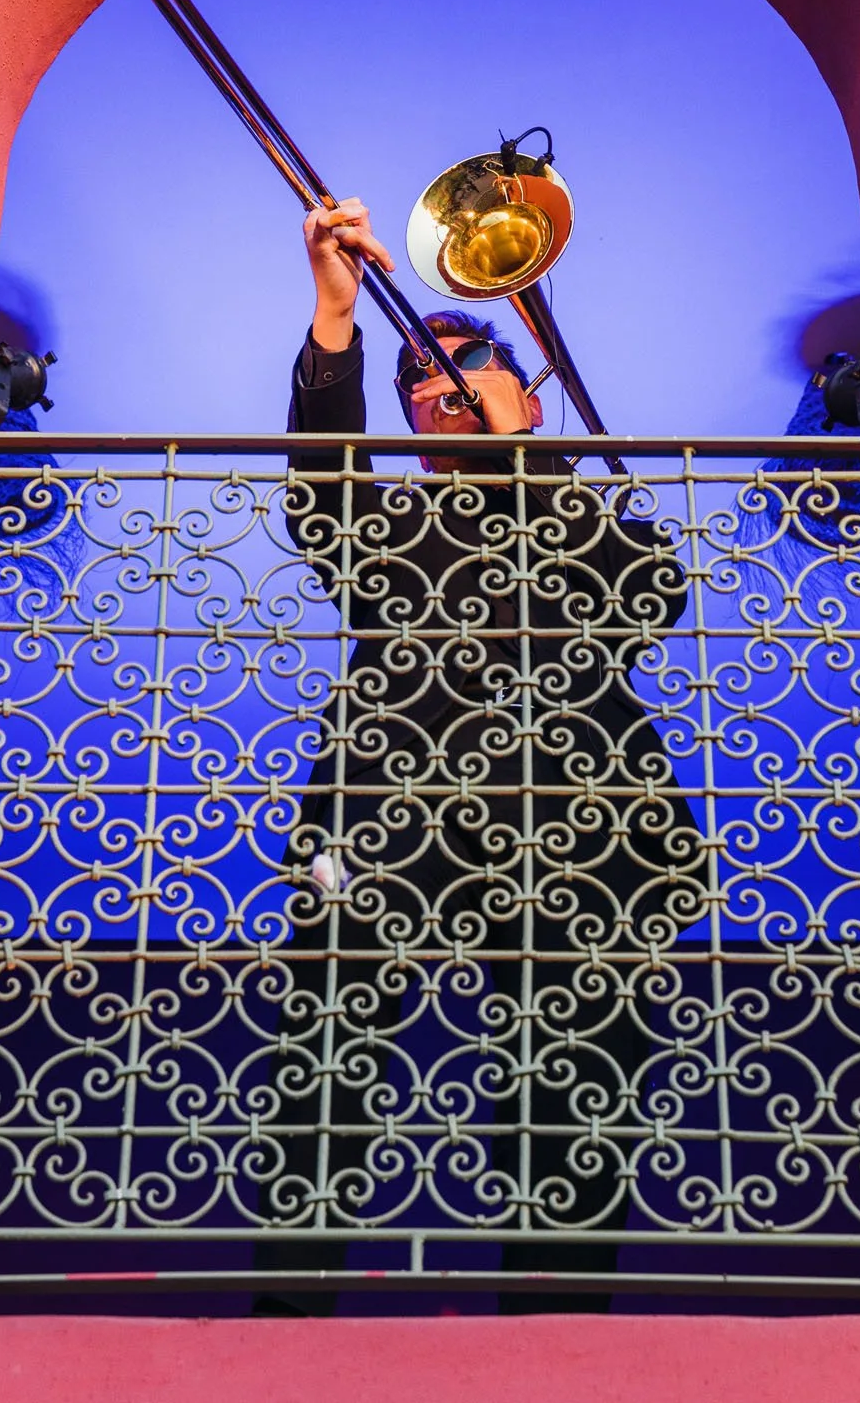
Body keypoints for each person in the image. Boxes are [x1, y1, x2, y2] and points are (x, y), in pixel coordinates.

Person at [250, 200, 699, 1316]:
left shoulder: (595, 521)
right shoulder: (391, 525)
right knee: (325, 1084)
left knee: (575, 1105)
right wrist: (334, 314)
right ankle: (281, 1331)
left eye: (468, 360)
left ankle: (555, 1341)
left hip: (584, 841)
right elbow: (317, 501)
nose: (437, 379)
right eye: (420, 375)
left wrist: (526, 452)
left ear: (526, 388)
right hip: (386, 829)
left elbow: (649, 597)